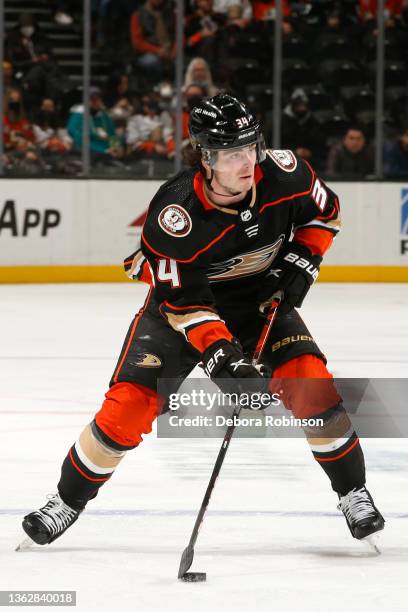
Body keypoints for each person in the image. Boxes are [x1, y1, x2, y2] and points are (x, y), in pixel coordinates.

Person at [20, 94, 384, 550]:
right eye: (232, 153)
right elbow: (185, 303)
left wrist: (302, 259)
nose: (247, 161)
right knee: (128, 407)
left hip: (258, 298)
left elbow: (326, 214)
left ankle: (353, 491)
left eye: (251, 147)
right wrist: (222, 357)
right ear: (206, 158)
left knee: (312, 385)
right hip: (182, 311)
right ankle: (66, 501)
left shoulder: (286, 172)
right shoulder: (175, 216)